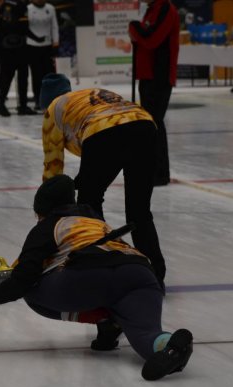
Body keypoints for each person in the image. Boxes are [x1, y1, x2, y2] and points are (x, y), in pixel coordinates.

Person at [0, 175, 193, 381]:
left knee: (31, 290)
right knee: (145, 336)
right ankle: (171, 346)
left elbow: (22, 279)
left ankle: (106, 320)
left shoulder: (48, 227)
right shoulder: (96, 222)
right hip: (141, 273)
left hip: (90, 275)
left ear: (42, 210)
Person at [39, 73, 167, 293]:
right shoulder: (90, 95)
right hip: (144, 126)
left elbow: (53, 172)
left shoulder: (53, 109)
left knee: (89, 205)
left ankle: (101, 267)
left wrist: (45, 214)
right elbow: (106, 150)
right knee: (139, 210)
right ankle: (155, 276)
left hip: (103, 131)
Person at [128, 0, 180, 186]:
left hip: (159, 74)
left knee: (155, 122)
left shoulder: (165, 9)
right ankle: (152, 169)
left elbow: (152, 39)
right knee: (149, 123)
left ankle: (159, 173)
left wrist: (134, 28)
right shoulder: (151, 10)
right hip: (148, 75)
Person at [0, 0, 37, 117]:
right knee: (7, 77)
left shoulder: (24, 6)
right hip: (8, 48)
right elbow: (6, 25)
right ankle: (1, 103)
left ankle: (23, 105)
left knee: (23, 77)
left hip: (22, 47)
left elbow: (26, 27)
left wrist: (36, 38)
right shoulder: (8, 5)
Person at [27, 0, 59, 110]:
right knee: (36, 74)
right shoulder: (28, 9)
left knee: (49, 74)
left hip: (47, 46)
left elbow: (54, 26)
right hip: (32, 46)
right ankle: (38, 99)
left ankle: (51, 99)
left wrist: (55, 43)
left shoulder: (50, 8)